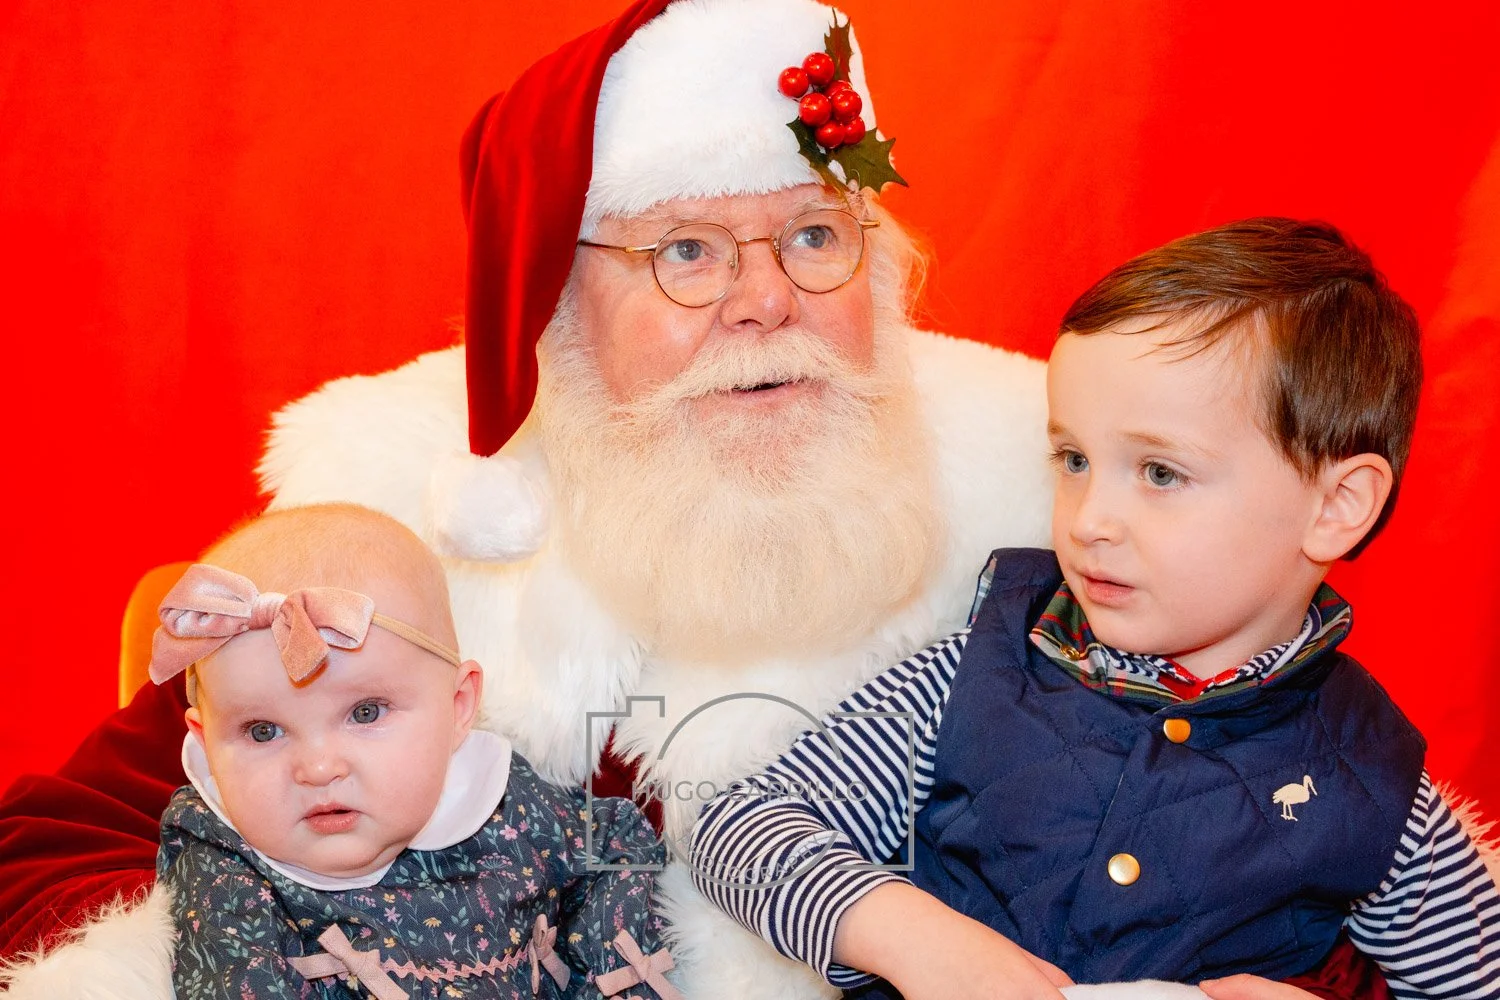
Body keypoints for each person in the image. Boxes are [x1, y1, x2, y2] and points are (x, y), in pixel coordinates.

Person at [0, 0, 1431, 997]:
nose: (764, 303)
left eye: (814, 235)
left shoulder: (1051, 488)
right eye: (685, 253)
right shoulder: (403, 504)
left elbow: (1288, 814)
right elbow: (67, 845)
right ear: (564, 304)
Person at [689, 219, 1500, 998]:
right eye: (1074, 459)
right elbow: (736, 832)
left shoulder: (1375, 783)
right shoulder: (977, 671)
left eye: (1159, 473)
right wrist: (904, 932)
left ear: (1336, 506)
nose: (1088, 520)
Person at [148, 503, 674, 999]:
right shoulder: (222, 855)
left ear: (458, 706)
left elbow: (612, 841)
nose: (319, 768)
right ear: (204, 740)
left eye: (366, 713)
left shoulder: (507, 806)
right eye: (263, 731)